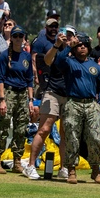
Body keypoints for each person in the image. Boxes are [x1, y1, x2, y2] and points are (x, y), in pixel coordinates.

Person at [46, 33, 100, 184]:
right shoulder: (69, 62)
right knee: (72, 136)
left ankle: (96, 170)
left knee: (94, 136)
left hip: (92, 103)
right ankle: (71, 169)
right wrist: (69, 47)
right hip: (73, 102)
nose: (82, 47)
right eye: (80, 45)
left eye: (85, 45)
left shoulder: (94, 66)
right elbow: (57, 61)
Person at [24, 18, 68, 180]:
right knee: (44, 129)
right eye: (52, 27)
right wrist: (57, 45)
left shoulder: (73, 49)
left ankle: (64, 168)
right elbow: (47, 61)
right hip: (53, 92)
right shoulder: (50, 46)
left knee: (65, 132)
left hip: (68, 94)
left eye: (57, 27)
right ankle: (30, 165)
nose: (54, 29)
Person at [0, 26, 37, 175]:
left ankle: (17, 160)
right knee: (3, 126)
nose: (18, 39)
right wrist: (2, 99)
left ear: (23, 38)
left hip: (23, 94)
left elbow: (30, 79)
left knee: (21, 128)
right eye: (15, 36)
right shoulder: (5, 55)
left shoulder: (26, 56)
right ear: (12, 38)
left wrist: (31, 100)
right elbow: (0, 78)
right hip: (8, 93)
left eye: (20, 36)